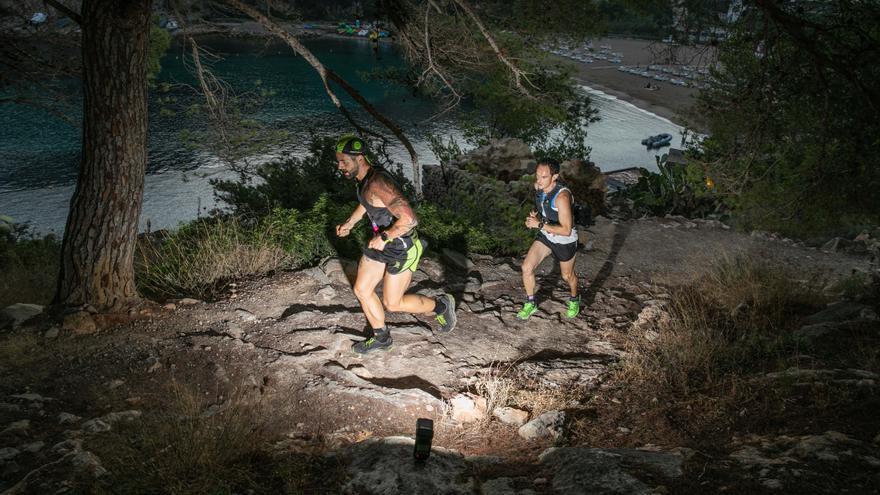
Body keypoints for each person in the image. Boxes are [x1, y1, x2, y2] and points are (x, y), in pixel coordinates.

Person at [334, 135, 457, 354]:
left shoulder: (379, 183)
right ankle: (381, 337)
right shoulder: (364, 179)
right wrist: (350, 223)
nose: (339, 166)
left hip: (402, 246)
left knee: (393, 303)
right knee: (362, 289)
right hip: (380, 242)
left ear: (359, 158)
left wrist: (384, 237)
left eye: (344, 161)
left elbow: (409, 220)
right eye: (338, 161)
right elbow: (367, 202)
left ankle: (441, 306)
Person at [517, 158, 581, 320]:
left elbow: (566, 230)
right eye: (537, 175)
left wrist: (538, 225)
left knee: (567, 276)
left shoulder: (562, 197)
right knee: (526, 267)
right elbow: (541, 204)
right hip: (546, 235)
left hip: (564, 240)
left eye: (544, 177)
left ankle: (574, 299)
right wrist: (535, 215)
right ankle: (531, 302)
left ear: (554, 177)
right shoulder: (539, 187)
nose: (539, 180)